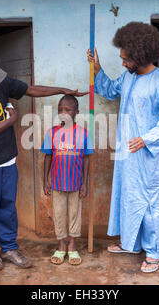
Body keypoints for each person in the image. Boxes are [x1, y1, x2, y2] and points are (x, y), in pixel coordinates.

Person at [0, 54, 87, 271]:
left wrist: (63, 90)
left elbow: (32, 90)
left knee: (7, 207)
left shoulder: (0, 81)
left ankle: (8, 247)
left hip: (8, 160)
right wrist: (11, 120)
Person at [87, 22, 159, 273]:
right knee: (128, 197)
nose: (123, 63)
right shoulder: (128, 78)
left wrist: (147, 139)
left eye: (125, 59)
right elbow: (108, 90)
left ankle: (152, 252)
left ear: (139, 57)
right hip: (126, 154)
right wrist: (97, 68)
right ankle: (130, 242)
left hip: (147, 156)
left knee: (150, 202)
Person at [40, 95, 93, 265]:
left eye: (68, 110)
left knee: (75, 214)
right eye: (60, 110)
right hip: (57, 184)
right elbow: (47, 157)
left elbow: (86, 159)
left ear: (76, 112)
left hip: (76, 184)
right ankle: (61, 246)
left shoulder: (83, 133)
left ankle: (72, 247)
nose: (63, 113)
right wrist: (45, 181)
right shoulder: (52, 133)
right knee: (59, 214)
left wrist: (85, 183)